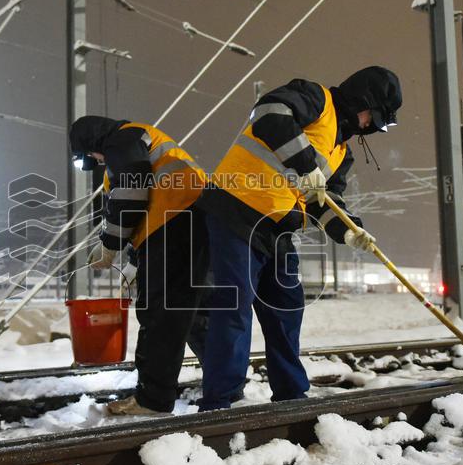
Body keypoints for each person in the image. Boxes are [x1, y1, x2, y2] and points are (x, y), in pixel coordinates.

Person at [196, 67, 402, 411]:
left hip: (275, 227)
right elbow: (269, 113)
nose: (369, 125)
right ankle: (220, 401)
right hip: (235, 209)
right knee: (234, 309)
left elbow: (323, 203)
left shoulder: (341, 152)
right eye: (373, 116)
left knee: (286, 308)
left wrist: (350, 230)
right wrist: (306, 165)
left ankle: (291, 393)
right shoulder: (316, 98)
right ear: (362, 99)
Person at [69, 116, 208, 415]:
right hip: (191, 224)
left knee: (160, 316)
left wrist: (110, 245)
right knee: (193, 314)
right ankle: (225, 385)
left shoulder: (121, 139)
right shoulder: (140, 140)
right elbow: (146, 208)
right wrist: (134, 262)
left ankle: (152, 402)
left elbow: (131, 194)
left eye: (91, 155)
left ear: (93, 142)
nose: (96, 160)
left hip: (174, 226)